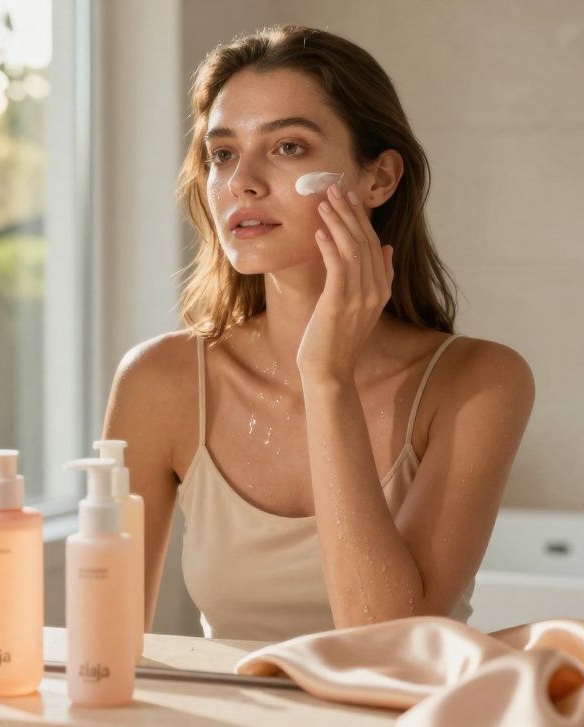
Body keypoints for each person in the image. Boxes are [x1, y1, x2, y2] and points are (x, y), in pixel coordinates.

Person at [103, 26, 535, 642]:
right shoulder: (160, 382)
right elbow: (107, 650)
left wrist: (327, 378)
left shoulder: (479, 382)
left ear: (379, 179)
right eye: (222, 154)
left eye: (287, 148)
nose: (242, 182)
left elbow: (388, 643)